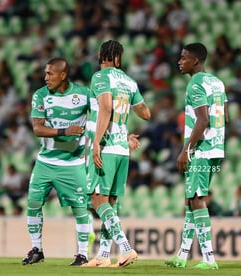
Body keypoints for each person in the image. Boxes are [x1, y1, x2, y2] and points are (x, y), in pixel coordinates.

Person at [84, 40, 151, 268]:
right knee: (110, 202)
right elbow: (146, 113)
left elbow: (105, 107)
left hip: (107, 147)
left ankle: (125, 248)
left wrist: (96, 142)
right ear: (119, 58)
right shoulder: (130, 82)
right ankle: (103, 254)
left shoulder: (100, 77)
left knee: (97, 199)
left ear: (101, 54)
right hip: (123, 149)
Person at [22, 58, 91, 266]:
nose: (45, 78)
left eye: (50, 74)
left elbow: (101, 115)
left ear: (63, 75)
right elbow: (37, 128)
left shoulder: (84, 94)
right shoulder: (41, 95)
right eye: (45, 73)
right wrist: (64, 131)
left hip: (73, 163)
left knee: (80, 209)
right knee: (33, 203)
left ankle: (82, 254)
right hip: (45, 161)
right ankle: (37, 249)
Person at [165, 43, 228, 270]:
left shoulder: (195, 84)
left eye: (184, 57)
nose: (179, 61)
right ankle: (182, 255)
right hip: (216, 147)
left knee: (197, 200)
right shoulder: (217, 82)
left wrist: (186, 150)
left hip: (201, 149)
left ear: (196, 60)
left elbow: (203, 120)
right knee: (192, 198)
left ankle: (209, 258)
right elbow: (225, 118)